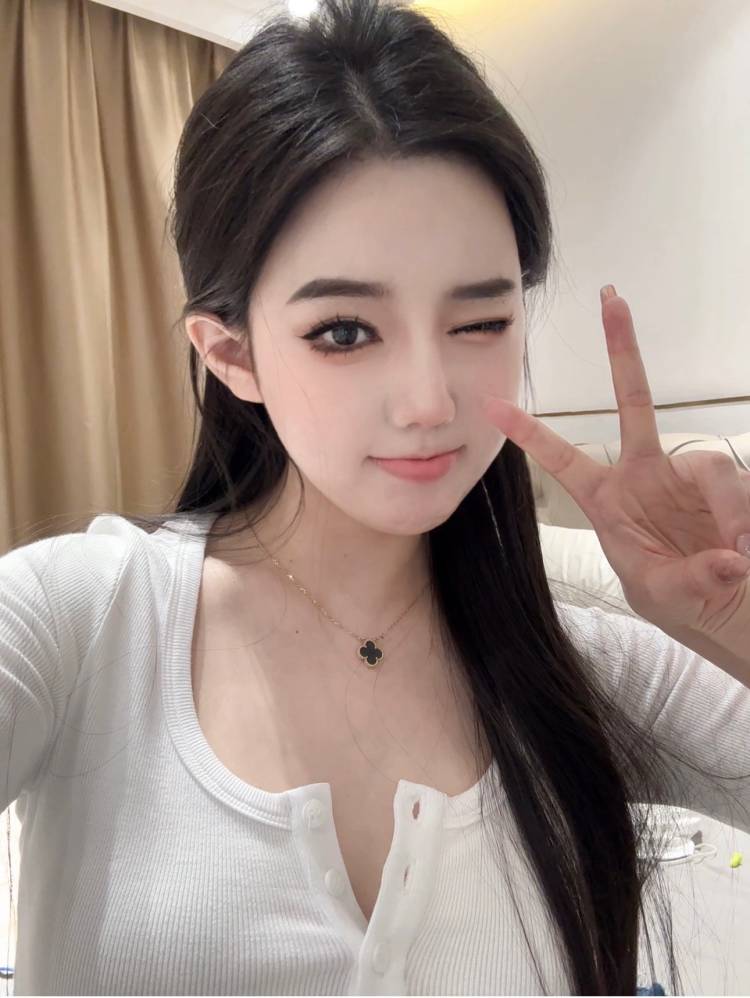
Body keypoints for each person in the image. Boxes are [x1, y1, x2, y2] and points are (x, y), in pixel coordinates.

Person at [1, 0, 749, 994]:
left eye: (479, 322)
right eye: (345, 331)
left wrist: (733, 626)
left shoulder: (579, 668)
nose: (430, 401)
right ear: (230, 353)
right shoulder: (82, 619)